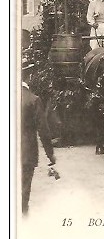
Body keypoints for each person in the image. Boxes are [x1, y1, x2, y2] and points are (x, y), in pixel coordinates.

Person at [21, 59, 56, 215]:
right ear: (28, 76)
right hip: (26, 152)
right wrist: (50, 155)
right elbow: (43, 130)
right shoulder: (33, 100)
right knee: (24, 188)